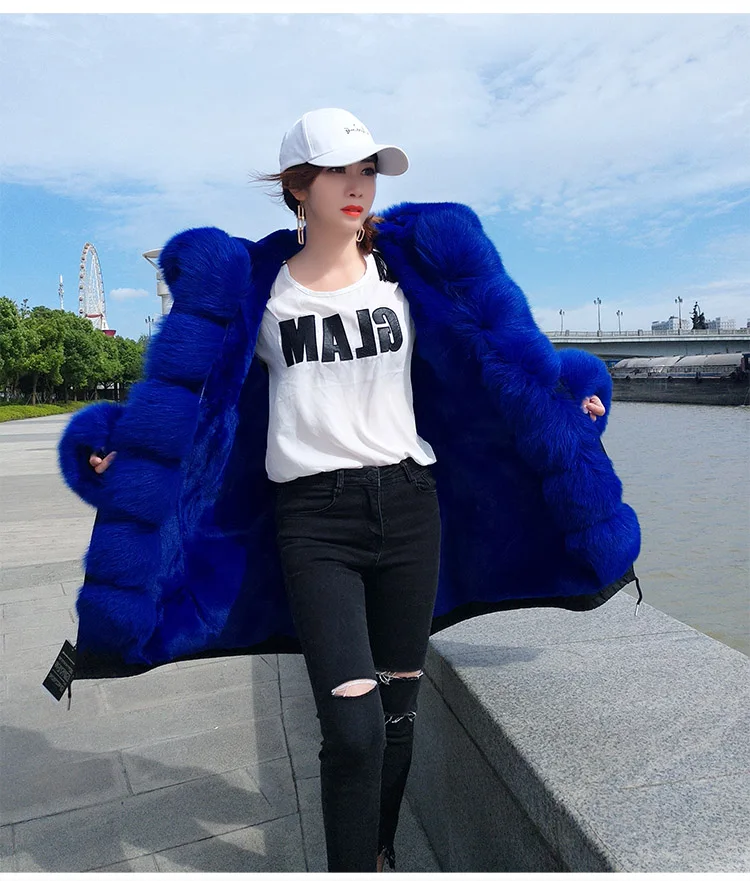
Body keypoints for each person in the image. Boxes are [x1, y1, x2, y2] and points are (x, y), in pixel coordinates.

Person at [58, 109, 638, 873]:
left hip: (411, 507)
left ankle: (379, 849)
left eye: (368, 170)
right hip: (313, 522)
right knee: (354, 730)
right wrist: (123, 450)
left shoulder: (404, 274)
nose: (359, 185)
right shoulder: (260, 289)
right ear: (299, 185)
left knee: (398, 716)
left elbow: (493, 364)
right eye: (340, 171)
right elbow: (201, 402)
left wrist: (571, 399)